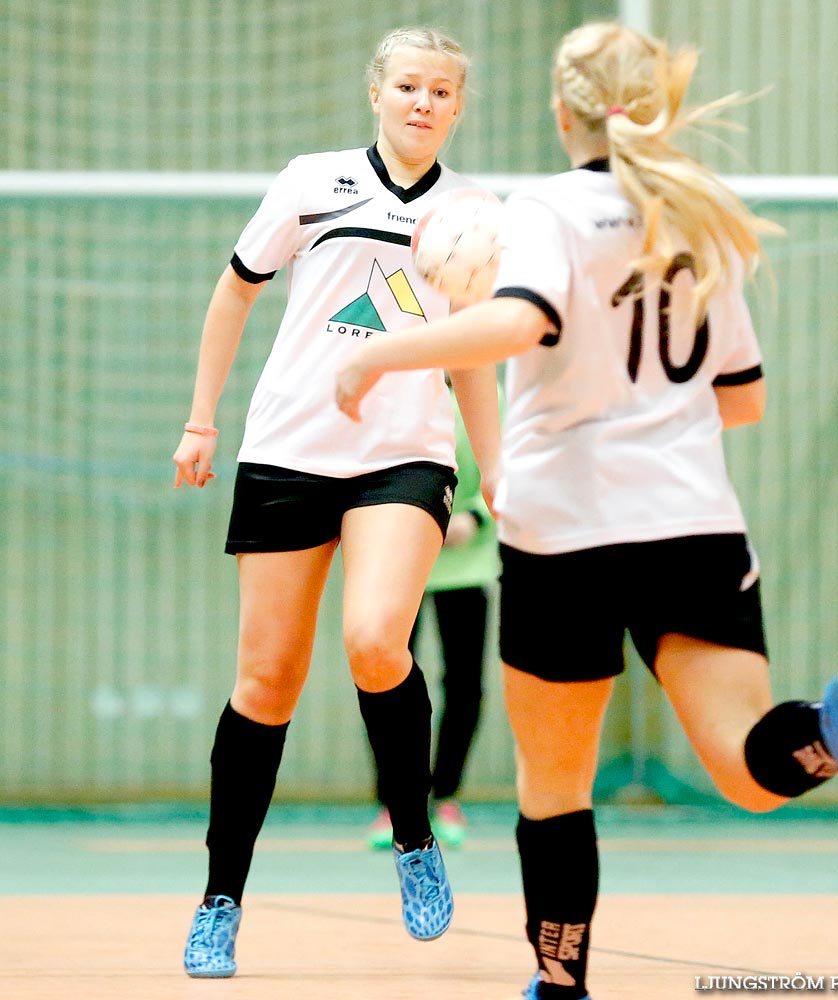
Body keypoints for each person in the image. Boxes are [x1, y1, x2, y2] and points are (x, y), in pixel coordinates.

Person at [334, 20, 838, 1000]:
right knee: (746, 769)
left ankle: (560, 984)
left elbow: (522, 321)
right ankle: (828, 727)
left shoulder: (547, 210)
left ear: (560, 111)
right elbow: (743, 398)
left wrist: (381, 349)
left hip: (567, 532)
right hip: (693, 522)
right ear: (660, 109)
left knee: (555, 788)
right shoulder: (695, 214)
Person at [172, 25, 501, 979]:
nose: (423, 104)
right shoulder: (312, 181)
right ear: (376, 92)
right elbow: (233, 294)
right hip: (286, 451)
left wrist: (503, 482)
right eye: (408, 86)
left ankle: (414, 840)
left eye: (442, 91)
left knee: (373, 640)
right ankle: (219, 901)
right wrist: (202, 422)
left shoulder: (476, 214)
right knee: (265, 683)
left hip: (403, 459)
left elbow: (474, 359)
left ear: (457, 106)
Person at [367, 386, 500, 851]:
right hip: (399, 554)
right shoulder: (397, 390)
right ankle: (394, 803)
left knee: (464, 685)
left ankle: (446, 795)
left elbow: (511, 466)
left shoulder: (490, 394)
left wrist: (476, 519)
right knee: (384, 676)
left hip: (466, 561)